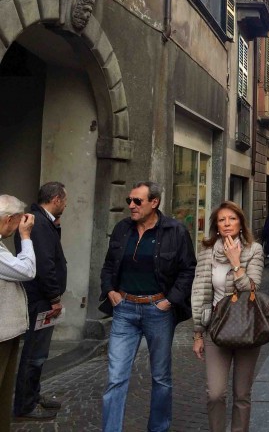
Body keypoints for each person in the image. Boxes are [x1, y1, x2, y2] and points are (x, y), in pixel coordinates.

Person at [99, 181, 196, 432]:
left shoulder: (175, 231)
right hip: (125, 309)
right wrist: (110, 290)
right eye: (129, 200)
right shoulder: (122, 229)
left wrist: (171, 300)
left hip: (158, 310)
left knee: (161, 378)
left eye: (137, 201)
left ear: (154, 203)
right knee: (116, 377)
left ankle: (158, 428)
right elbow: (109, 264)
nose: (131, 205)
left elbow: (188, 269)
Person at [191, 201, 264, 432]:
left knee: (242, 394)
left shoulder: (254, 250)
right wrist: (198, 334)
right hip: (216, 328)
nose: (227, 223)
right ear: (217, 226)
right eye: (222, 220)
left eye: (232, 218)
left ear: (241, 222)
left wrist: (235, 262)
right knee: (215, 393)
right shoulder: (207, 252)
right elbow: (200, 292)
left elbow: (251, 289)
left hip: (246, 328)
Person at [13, 182, 68, 420]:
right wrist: (54, 297)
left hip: (42, 298)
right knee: (35, 353)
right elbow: (45, 265)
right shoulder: (38, 223)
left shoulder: (44, 222)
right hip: (41, 300)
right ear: (56, 199)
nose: (65, 204)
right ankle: (25, 404)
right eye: (64, 200)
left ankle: (33, 395)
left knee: (39, 352)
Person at [0, 195, 35, 432]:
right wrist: (26, 237)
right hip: (1, 332)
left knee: (4, 391)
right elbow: (27, 270)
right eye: (17, 221)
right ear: (9, 219)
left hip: (6, 331)